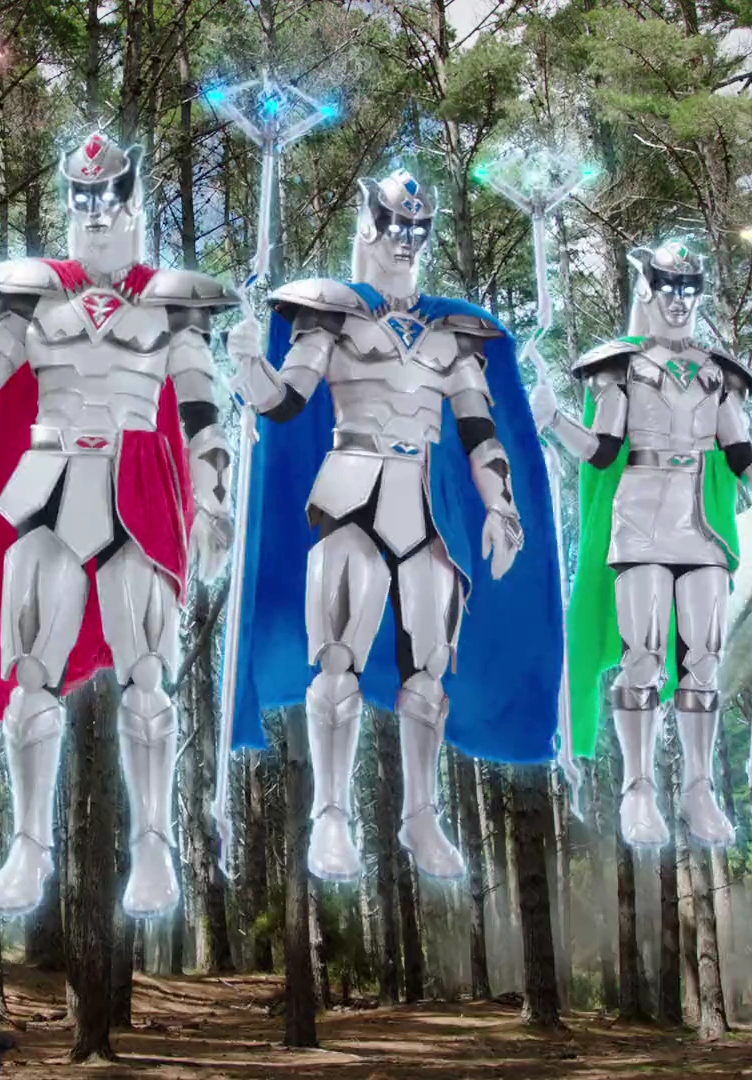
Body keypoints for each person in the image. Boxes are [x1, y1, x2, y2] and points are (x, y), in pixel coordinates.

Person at [0, 130, 237, 918]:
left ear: (132, 201)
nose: (96, 211)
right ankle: (30, 847)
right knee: (31, 674)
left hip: (140, 484)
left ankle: (153, 845)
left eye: (108, 196)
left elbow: (200, 411)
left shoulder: (171, 299)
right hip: (49, 477)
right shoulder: (32, 292)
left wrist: (213, 501)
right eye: (83, 197)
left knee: (147, 673)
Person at [222, 168, 562, 882]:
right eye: (394, 224)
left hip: (422, 502)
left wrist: (501, 506)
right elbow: (285, 403)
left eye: (417, 228)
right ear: (367, 223)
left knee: (431, 670)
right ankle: (331, 816)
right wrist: (248, 364)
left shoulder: (452, 333)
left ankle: (420, 819)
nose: (405, 239)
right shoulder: (332, 314)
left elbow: (480, 430)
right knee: (336, 655)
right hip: (350, 487)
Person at [532, 240, 752, 846]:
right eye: (669, 288)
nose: (680, 300)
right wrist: (554, 421)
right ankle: (637, 789)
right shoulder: (621, 365)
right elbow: (602, 451)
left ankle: (698, 788)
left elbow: (740, 455)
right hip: (639, 519)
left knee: (704, 662)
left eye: (690, 290)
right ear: (649, 289)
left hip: (701, 526)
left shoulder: (718, 373)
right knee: (642, 656)